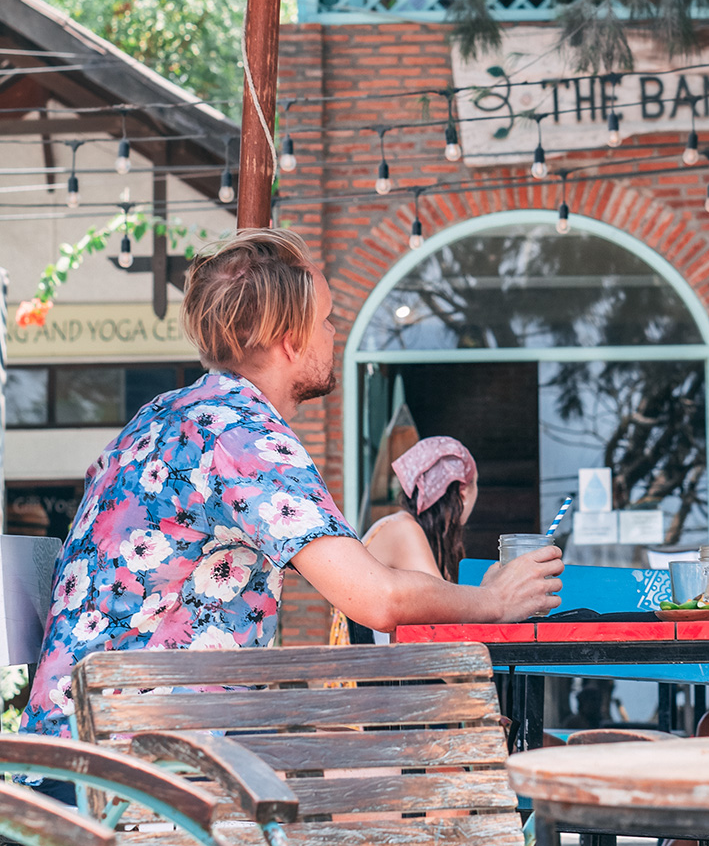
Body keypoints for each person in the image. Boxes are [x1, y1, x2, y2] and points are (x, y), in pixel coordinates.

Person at [20, 229, 562, 742]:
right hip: (137, 769)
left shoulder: (159, 416)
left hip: (76, 751)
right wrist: (493, 599)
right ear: (289, 340)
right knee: (451, 767)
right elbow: (376, 598)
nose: (334, 333)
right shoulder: (240, 434)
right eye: (326, 320)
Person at [346, 436, 480, 642]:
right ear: (463, 494)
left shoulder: (401, 527)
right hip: (367, 671)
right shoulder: (404, 531)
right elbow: (444, 622)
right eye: (476, 484)